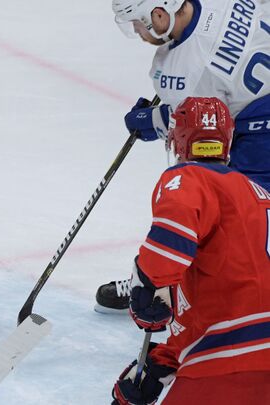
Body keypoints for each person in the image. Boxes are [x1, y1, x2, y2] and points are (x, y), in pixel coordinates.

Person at [96, 0, 270, 312]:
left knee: (218, 213)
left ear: (158, 14)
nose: (138, 32)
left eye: (137, 23)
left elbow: (201, 123)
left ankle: (161, 287)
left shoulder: (183, 68)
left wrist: (153, 120)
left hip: (259, 138)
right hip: (257, 114)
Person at [111, 96, 270, 405]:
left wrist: (150, 283)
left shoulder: (188, 178)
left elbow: (175, 232)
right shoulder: (258, 195)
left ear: (176, 140)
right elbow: (235, 296)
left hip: (234, 358)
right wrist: (162, 364)